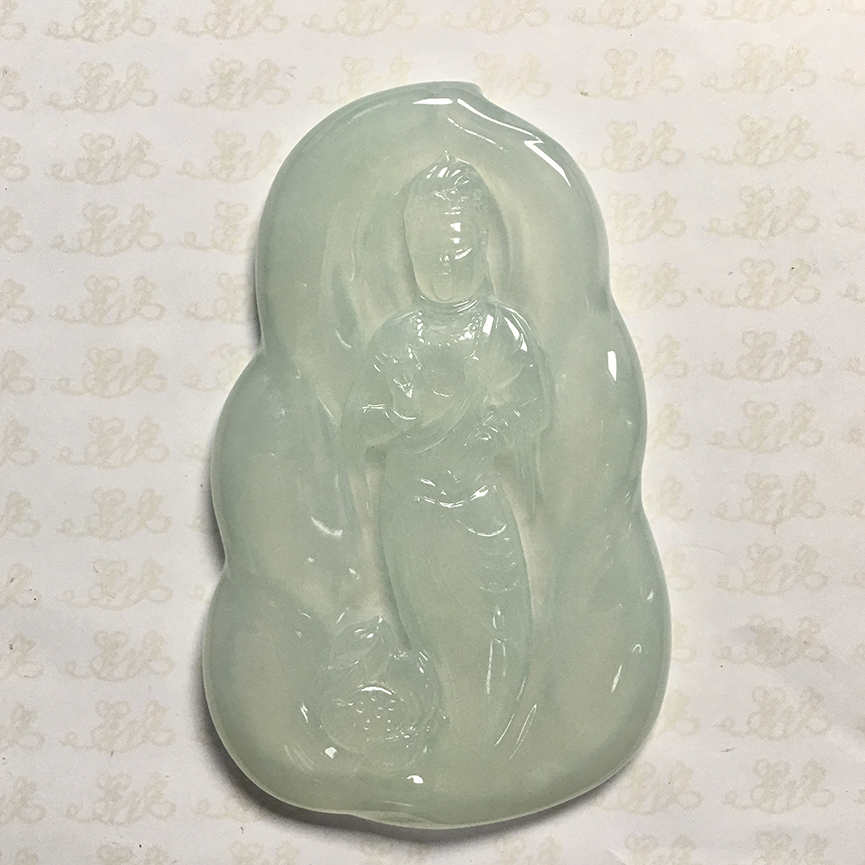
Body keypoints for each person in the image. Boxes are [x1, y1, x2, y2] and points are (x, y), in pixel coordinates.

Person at [341, 154, 553, 745]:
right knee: (428, 626)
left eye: (455, 248)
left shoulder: (500, 332)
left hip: (474, 499)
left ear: (481, 245)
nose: (442, 264)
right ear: (410, 251)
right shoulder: (398, 338)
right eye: (428, 251)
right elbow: (357, 424)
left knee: (497, 621)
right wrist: (395, 417)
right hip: (410, 504)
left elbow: (534, 407)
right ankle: (444, 732)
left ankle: (491, 732)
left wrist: (493, 432)